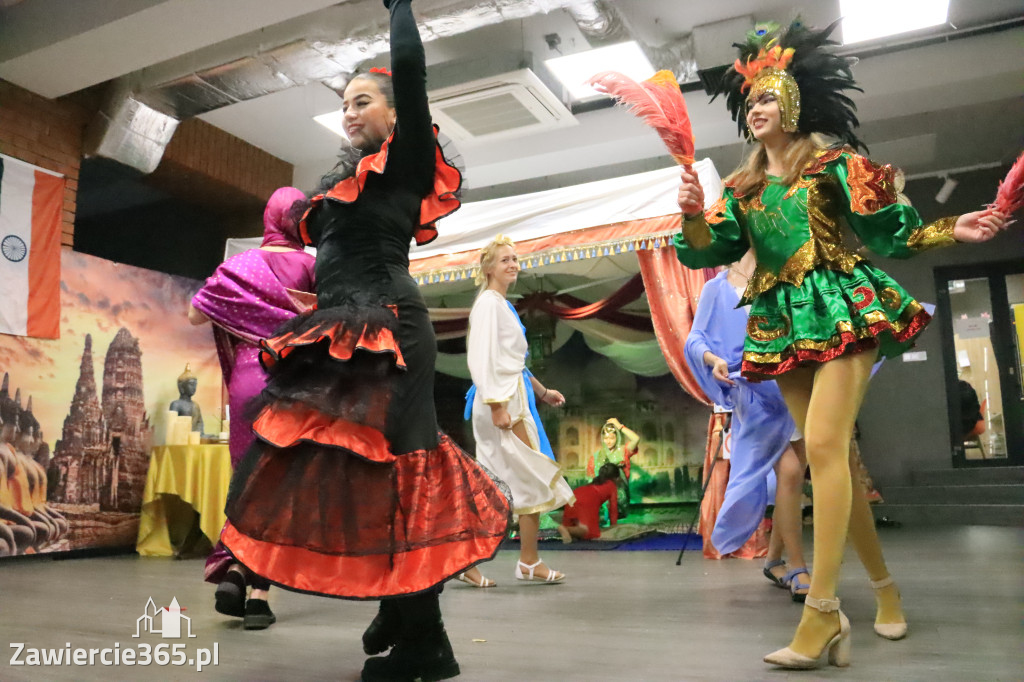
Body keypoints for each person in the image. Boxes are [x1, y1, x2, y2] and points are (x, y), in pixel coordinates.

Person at [674, 20, 1008, 669]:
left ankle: (822, 614)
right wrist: (690, 211)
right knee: (838, 468)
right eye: (751, 102)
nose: (757, 108)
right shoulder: (742, 191)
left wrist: (948, 228)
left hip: (844, 306)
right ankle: (884, 593)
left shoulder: (833, 167)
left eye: (768, 96)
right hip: (780, 321)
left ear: (793, 106)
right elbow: (710, 249)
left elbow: (887, 231)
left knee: (823, 450)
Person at [220, 2, 510, 680]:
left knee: (400, 473)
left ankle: (425, 640)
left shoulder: (406, 162)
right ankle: (400, 602)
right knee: (356, 475)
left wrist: (400, 6)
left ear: (394, 113)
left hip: (391, 330)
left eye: (363, 101)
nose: (350, 113)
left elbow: (410, 71)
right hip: (341, 334)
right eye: (344, 104)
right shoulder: (341, 186)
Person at [189, 185, 316, 630]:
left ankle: (237, 566)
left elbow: (195, 314)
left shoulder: (239, 265)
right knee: (280, 487)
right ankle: (257, 591)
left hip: (246, 381)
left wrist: (246, 315)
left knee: (248, 482)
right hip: (292, 382)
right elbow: (331, 324)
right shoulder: (312, 266)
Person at [684, 250, 810, 601]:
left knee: (795, 477)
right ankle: (799, 567)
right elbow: (695, 340)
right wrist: (713, 359)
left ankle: (773, 559)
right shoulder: (716, 288)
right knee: (787, 472)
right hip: (752, 394)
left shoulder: (780, 277)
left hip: (791, 386)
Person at [463, 235, 574, 587]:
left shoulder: (500, 303)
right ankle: (522, 561)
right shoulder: (488, 306)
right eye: (505, 259)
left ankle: (508, 561)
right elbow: (483, 359)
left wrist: (542, 392)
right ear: (488, 268)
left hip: (513, 396)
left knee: (508, 484)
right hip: (501, 401)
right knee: (528, 477)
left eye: (515, 258)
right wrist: (497, 406)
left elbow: (513, 363)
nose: (513, 264)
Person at [586, 418, 640, 519]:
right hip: (603, 498)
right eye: (606, 438)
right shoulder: (597, 456)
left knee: (619, 522)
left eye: (612, 438)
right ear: (602, 439)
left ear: (617, 437)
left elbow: (636, 439)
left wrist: (619, 426)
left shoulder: (623, 451)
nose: (609, 441)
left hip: (620, 495)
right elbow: (591, 478)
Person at [557, 462, 622, 542]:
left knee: (579, 527)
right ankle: (566, 529)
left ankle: (567, 529)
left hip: (573, 496)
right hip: (587, 501)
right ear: (615, 478)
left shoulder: (595, 482)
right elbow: (613, 508)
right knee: (590, 533)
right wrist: (614, 526)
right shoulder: (612, 485)